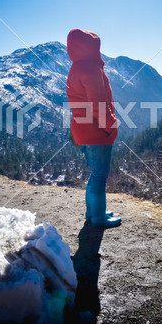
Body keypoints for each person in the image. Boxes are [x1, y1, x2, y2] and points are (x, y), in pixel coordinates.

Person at [66, 28, 121, 228]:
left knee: (94, 173)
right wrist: (111, 125)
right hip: (96, 131)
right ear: (89, 47)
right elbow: (98, 103)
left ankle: (93, 212)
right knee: (100, 174)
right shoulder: (91, 68)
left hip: (82, 129)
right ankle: (98, 218)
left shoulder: (76, 67)